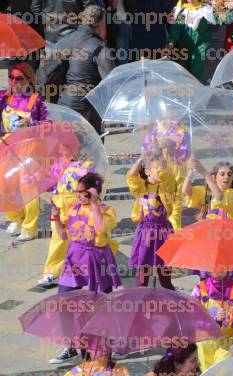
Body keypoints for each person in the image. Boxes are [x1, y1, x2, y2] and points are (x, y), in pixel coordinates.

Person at [49, 172, 120, 364]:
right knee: (62, 302)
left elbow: (99, 228)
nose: (78, 195)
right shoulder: (73, 208)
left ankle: (108, 344)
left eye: (82, 192)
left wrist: (95, 203)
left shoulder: (106, 210)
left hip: (97, 259)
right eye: (77, 191)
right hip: (74, 258)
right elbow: (64, 236)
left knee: (100, 307)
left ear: (92, 191)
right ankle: (71, 345)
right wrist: (55, 218)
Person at [1, 62, 49, 242]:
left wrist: (30, 124)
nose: (14, 82)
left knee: (28, 189)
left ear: (29, 80)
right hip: (7, 147)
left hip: (29, 149)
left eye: (19, 78)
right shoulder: (5, 98)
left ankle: (29, 227)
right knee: (5, 185)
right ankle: (15, 217)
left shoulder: (36, 100)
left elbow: (48, 124)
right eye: (11, 78)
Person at [54, 5, 114, 136]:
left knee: (66, 152)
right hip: (86, 113)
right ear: (100, 23)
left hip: (62, 107)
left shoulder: (64, 41)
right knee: (91, 153)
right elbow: (111, 81)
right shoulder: (99, 48)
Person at [38, 152, 95, 287]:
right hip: (59, 207)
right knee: (58, 239)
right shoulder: (58, 164)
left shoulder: (87, 166)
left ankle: (86, 268)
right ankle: (52, 271)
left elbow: (93, 186)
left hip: (79, 208)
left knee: (81, 239)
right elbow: (51, 183)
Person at [127, 154, 177, 289]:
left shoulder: (166, 186)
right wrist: (141, 159)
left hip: (163, 232)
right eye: (158, 168)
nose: (162, 170)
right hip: (145, 233)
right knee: (142, 277)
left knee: (165, 277)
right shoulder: (141, 188)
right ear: (148, 171)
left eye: (163, 167)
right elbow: (132, 176)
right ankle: (140, 303)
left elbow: (170, 178)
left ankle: (171, 303)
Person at [168, 0, 233, 83]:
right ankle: (187, 93)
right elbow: (176, 28)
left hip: (201, 46)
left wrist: (231, 11)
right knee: (184, 72)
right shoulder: (182, 11)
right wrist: (171, 41)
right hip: (184, 47)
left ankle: (197, 92)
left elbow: (223, 19)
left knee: (197, 71)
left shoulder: (207, 10)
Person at [65, 350, 129, 375]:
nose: (105, 350)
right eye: (99, 347)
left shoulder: (118, 370)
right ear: (87, 349)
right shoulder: (77, 369)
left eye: (107, 345)